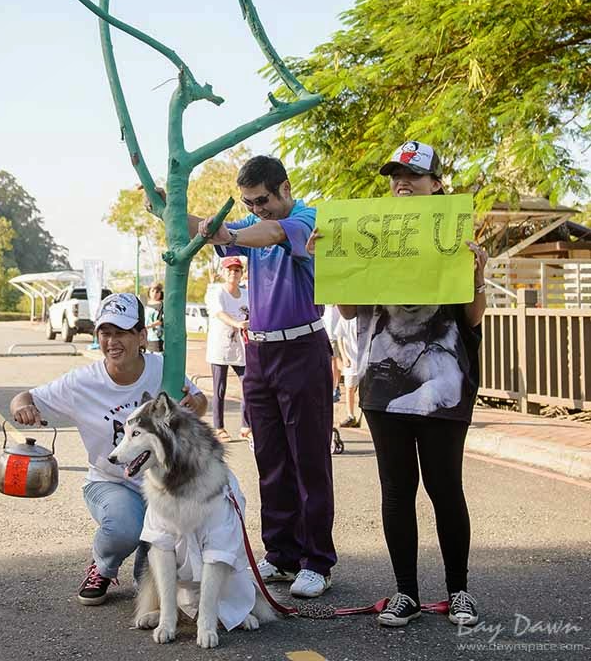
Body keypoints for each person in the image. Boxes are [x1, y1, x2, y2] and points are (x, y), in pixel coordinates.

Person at [317, 140, 487, 629]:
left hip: (445, 380)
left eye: (413, 175)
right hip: (381, 384)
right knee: (396, 490)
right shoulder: (370, 234)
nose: (402, 183)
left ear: (437, 184)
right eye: (395, 176)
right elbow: (348, 310)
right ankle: (405, 593)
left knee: (444, 488)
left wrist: (478, 276)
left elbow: (473, 318)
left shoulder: (457, 237)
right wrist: (331, 262)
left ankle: (459, 592)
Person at [190, 154, 336, 599]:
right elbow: (217, 230)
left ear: (285, 189)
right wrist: (171, 206)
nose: (258, 210)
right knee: (269, 458)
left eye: (263, 200)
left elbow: (269, 232)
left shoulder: (305, 218)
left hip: (303, 347)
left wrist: (232, 231)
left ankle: (317, 562)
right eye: (250, 203)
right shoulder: (251, 227)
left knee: (308, 458)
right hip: (259, 352)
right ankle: (281, 554)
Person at [9, 292, 207, 606]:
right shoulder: (81, 382)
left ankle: (150, 548)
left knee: (156, 584)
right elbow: (24, 397)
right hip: (111, 482)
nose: (112, 341)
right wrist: (24, 409)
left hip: (164, 487)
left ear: (142, 335)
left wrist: (194, 404)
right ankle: (103, 564)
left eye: (122, 333)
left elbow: (199, 403)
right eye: (105, 332)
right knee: (124, 528)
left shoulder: (163, 369)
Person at [204, 256, 252, 442]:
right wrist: (238, 323)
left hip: (242, 349)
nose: (233, 272)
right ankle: (219, 427)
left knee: (249, 385)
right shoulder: (216, 292)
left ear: (241, 273)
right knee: (219, 389)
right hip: (220, 348)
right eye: (229, 269)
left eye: (237, 270)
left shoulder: (247, 294)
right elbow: (219, 313)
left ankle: (246, 426)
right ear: (223, 273)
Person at [144, 282, 164, 352]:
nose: (155, 294)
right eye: (152, 291)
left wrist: (148, 326)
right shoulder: (147, 304)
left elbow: (160, 321)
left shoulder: (161, 305)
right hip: (146, 336)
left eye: (157, 292)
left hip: (156, 337)